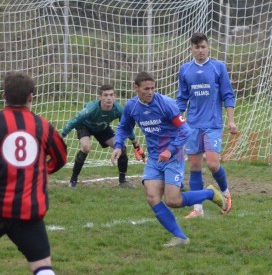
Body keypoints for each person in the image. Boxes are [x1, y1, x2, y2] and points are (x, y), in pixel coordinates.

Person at [111, 72, 227, 247]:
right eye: (146, 89)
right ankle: (180, 237)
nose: (150, 92)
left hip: (174, 155)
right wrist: (118, 145)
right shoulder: (132, 107)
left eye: (152, 88)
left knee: (173, 201)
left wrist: (170, 150)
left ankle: (210, 193)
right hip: (154, 158)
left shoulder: (166, 104)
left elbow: (185, 130)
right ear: (136, 88)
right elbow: (124, 127)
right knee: (152, 197)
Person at [1, 72, 68, 275]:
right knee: (41, 263)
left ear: (4, 96)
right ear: (32, 97)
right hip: (28, 210)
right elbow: (60, 156)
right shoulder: (41, 125)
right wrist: (41, 170)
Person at [177, 33, 236, 219]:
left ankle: (226, 193)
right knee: (194, 166)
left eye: (203, 47)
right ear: (191, 49)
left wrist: (231, 120)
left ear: (208, 47)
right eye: (196, 47)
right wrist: (177, 123)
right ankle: (197, 208)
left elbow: (228, 94)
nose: (200, 51)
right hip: (192, 125)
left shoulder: (218, 67)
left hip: (213, 125)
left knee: (212, 163)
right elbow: (182, 99)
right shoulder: (185, 70)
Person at [61, 84, 146, 188]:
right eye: (105, 95)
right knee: (85, 147)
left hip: (102, 128)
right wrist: (62, 135)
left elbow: (126, 127)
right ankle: (73, 180)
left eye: (111, 95)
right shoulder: (91, 108)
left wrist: (135, 143)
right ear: (100, 97)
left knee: (122, 148)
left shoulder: (118, 109)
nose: (109, 98)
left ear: (115, 96)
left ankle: (122, 182)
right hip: (85, 126)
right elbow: (74, 120)